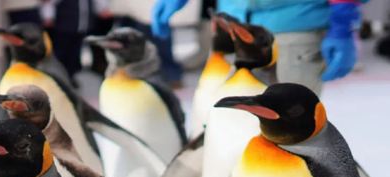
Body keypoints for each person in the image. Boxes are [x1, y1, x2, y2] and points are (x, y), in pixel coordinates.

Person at [150, 0, 365, 93]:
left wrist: (342, 23)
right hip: (232, 27)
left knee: (283, 139)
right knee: (223, 132)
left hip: (293, 30)